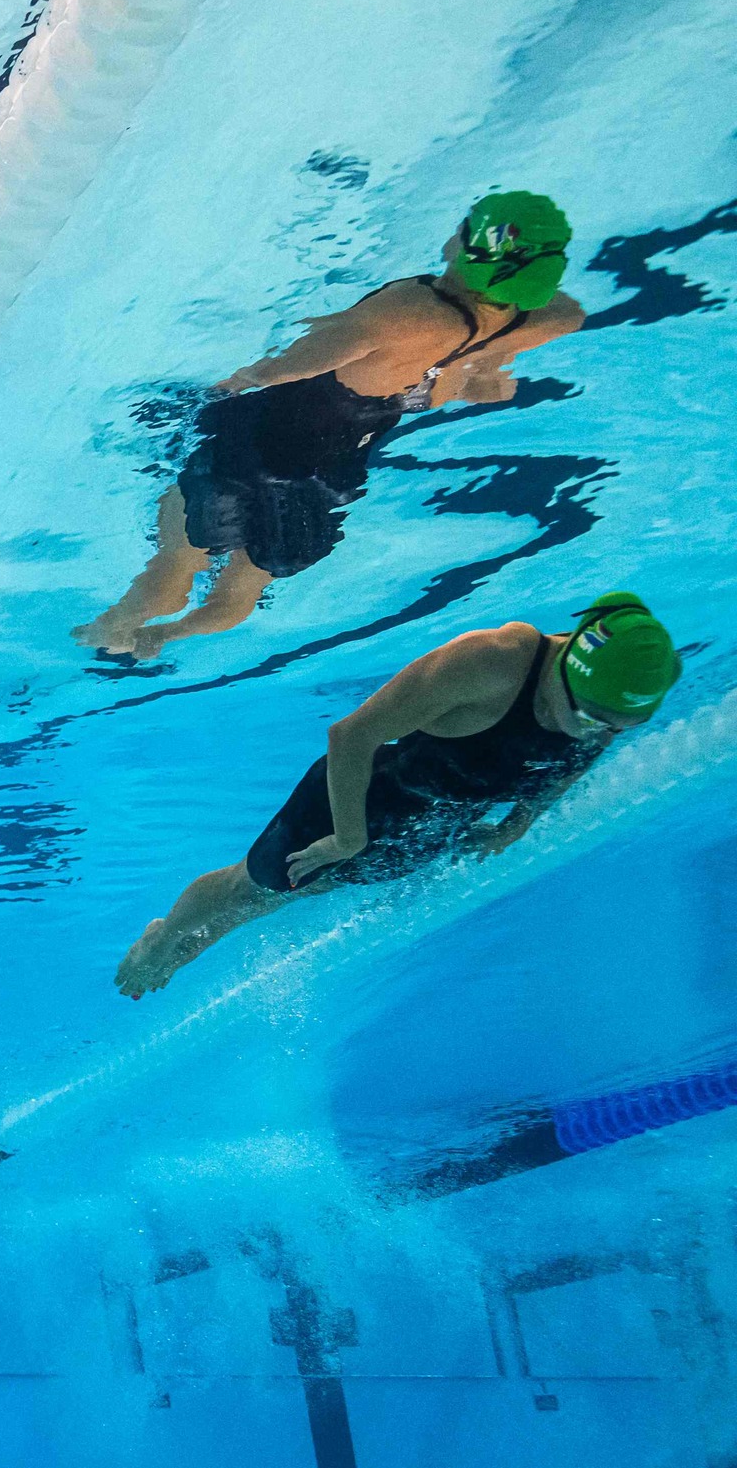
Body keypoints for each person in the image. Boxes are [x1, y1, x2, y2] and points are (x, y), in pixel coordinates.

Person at [77, 194, 584, 660]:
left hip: (267, 439)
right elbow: (483, 358)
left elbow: (284, 368)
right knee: (243, 589)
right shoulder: (551, 318)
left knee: (176, 562)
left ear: (466, 245)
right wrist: (481, 377)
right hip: (337, 469)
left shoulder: (407, 315)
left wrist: (233, 382)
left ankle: (109, 631)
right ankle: (166, 637)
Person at [116, 595, 679, 998]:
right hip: (352, 807)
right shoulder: (494, 662)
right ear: (570, 661)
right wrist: (347, 837)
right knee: (251, 883)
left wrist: (523, 820)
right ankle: (165, 937)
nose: (587, 732)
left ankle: (198, 941)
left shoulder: (599, 715)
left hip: (424, 830)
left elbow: (567, 765)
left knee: (290, 898)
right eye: (582, 713)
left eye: (611, 727)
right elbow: (352, 734)